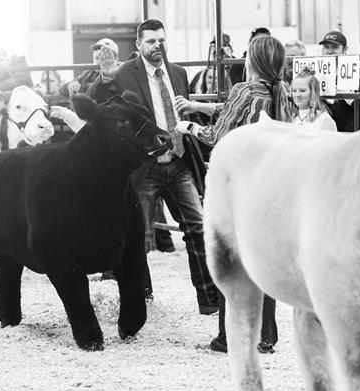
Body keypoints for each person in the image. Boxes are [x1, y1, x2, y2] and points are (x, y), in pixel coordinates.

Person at [89, 18, 218, 315]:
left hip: (179, 160)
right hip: (144, 165)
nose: (157, 45)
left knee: (197, 226)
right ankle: (141, 299)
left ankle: (209, 300)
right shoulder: (123, 74)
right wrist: (107, 78)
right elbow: (101, 107)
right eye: (151, 41)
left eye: (161, 40)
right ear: (138, 45)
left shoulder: (178, 73)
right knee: (137, 235)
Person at [175, 35, 293, 354]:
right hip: (274, 188)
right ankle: (266, 335)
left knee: (232, 260)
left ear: (252, 61)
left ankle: (230, 337)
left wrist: (188, 127)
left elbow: (216, 136)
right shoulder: (285, 96)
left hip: (242, 187)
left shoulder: (244, 91)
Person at [321, 30, 360, 132]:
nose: (330, 51)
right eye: (326, 47)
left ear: (345, 49)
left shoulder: (357, 74)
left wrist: (352, 102)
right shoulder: (316, 73)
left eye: (335, 47)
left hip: (348, 134)